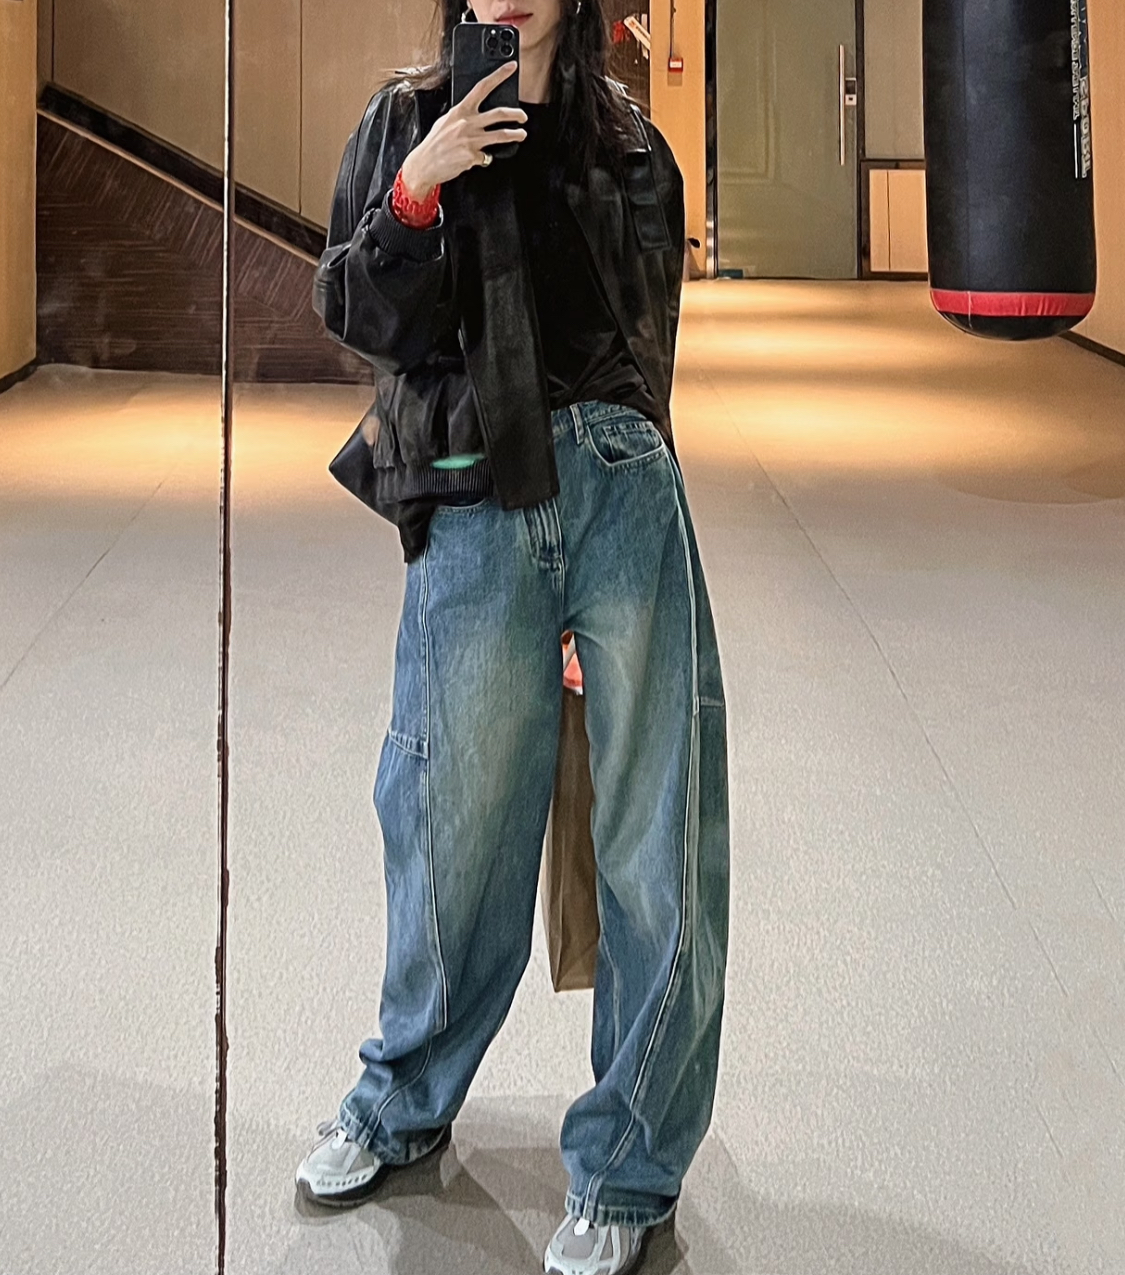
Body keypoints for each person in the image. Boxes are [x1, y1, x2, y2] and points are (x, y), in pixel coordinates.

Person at [299, 2, 730, 1271]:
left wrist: (609, 559)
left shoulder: (633, 146)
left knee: (659, 841)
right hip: (478, 504)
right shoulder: (404, 119)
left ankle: (629, 1165)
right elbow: (355, 311)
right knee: (447, 824)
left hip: (622, 499)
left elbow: (648, 356)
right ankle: (402, 1096)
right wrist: (419, 192)